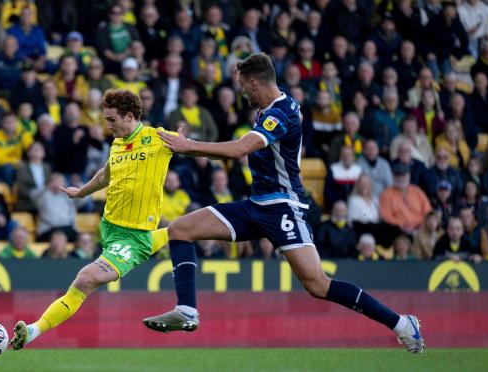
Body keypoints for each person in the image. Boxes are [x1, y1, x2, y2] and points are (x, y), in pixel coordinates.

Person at [141, 53, 424, 353]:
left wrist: (189, 146)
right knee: (181, 229)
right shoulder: (276, 107)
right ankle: (187, 309)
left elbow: (239, 150)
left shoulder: (281, 113)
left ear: (254, 82)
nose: (241, 92)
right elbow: (247, 144)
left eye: (242, 85)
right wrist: (189, 148)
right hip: (256, 205)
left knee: (318, 285)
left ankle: (403, 325)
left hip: (283, 207)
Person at [10, 89, 173, 350]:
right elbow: (104, 176)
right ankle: (32, 331)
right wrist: (80, 192)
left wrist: (235, 149)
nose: (106, 126)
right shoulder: (118, 144)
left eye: (111, 120)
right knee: (180, 230)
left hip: (133, 236)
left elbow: (194, 147)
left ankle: (32, 331)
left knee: (84, 279)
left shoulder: (159, 138)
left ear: (129, 116)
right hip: (110, 231)